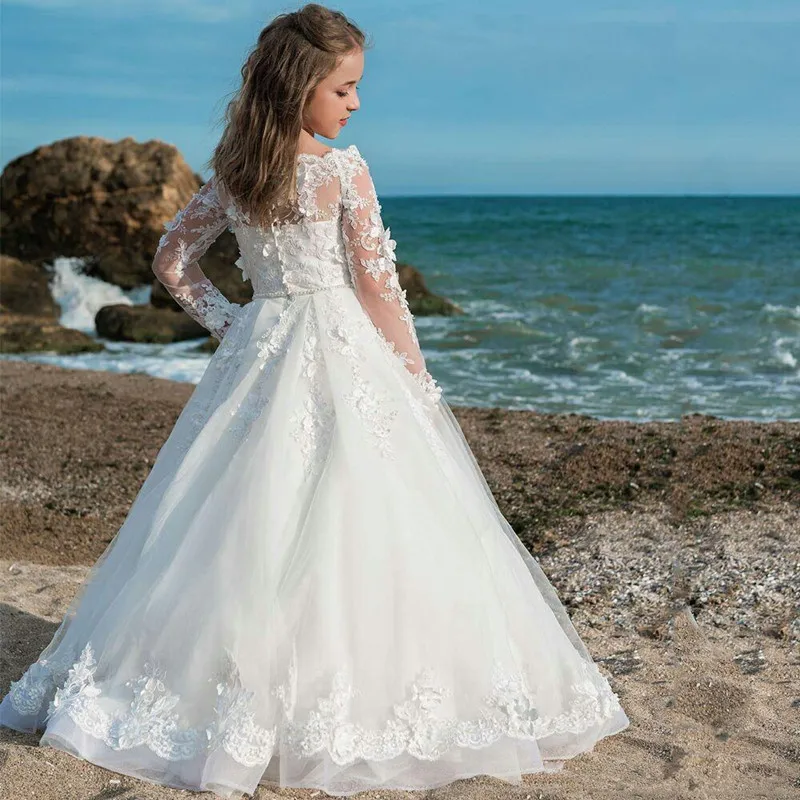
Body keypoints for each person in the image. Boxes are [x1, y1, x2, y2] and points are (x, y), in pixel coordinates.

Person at [0, 4, 629, 798]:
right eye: (345, 88)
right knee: (358, 515)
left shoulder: (238, 174)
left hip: (263, 354)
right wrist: (415, 378)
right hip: (338, 351)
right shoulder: (343, 171)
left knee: (233, 520)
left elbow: (172, 263)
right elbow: (377, 287)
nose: (356, 104)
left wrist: (237, 325)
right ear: (302, 87)